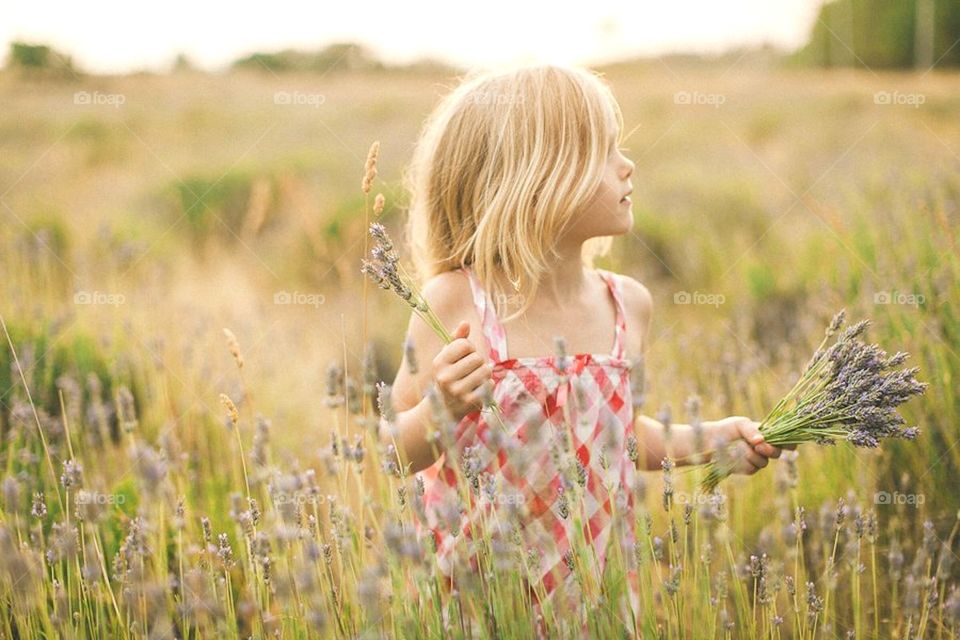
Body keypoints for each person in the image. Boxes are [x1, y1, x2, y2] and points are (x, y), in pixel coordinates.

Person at [381, 62, 789, 633]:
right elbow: (389, 451)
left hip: (596, 595)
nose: (628, 166)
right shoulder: (454, 304)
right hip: (482, 603)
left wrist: (708, 440)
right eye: (605, 151)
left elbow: (615, 438)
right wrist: (440, 410)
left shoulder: (628, 306)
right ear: (536, 177)